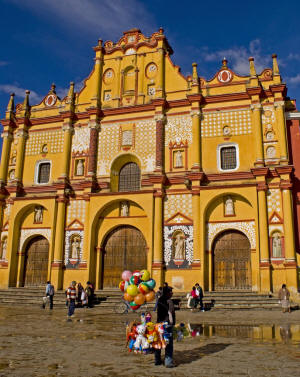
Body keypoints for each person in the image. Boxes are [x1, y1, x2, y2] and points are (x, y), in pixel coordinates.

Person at [154, 286, 175, 368]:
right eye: (170, 292)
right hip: (167, 325)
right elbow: (171, 312)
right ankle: (168, 362)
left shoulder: (159, 300)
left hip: (159, 324)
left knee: (158, 342)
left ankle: (157, 360)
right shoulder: (169, 301)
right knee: (168, 344)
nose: (172, 293)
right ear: (167, 293)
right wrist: (172, 323)